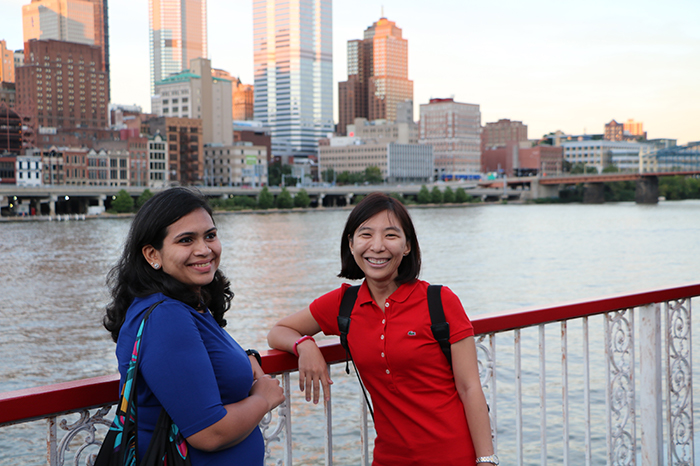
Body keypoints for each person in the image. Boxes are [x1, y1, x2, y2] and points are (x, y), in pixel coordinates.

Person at [267, 192, 497, 465]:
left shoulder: (440, 301)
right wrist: (304, 345)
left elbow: (470, 387)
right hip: (389, 457)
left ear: (407, 246)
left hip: (453, 455)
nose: (377, 246)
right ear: (351, 244)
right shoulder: (344, 304)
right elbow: (278, 331)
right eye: (366, 235)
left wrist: (486, 459)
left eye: (390, 235)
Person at [104, 187, 284, 465]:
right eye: (186, 240)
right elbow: (209, 433)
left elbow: (197, 362)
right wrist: (263, 398)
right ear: (153, 254)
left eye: (210, 235)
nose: (204, 250)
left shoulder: (186, 304)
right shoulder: (166, 317)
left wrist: (246, 358)